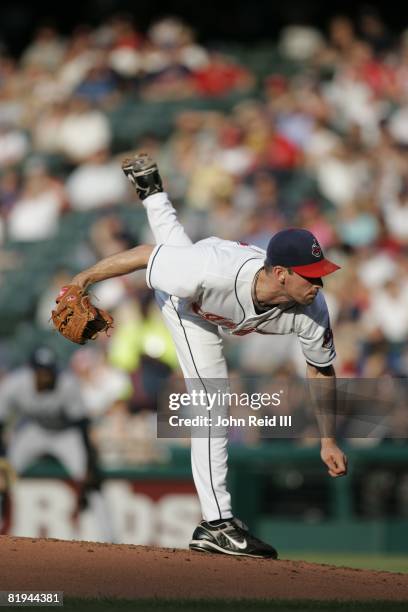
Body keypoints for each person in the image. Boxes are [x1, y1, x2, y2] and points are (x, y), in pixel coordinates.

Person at [69, 153, 348, 559]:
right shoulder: (208, 273)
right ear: (282, 273)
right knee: (213, 403)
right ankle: (217, 523)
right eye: (312, 274)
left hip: (201, 275)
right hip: (189, 304)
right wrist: (82, 279)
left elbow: (321, 370)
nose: (319, 283)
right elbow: (148, 254)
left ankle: (151, 191)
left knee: (176, 245)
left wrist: (328, 439)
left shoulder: (312, 311)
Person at [0, 346, 115, 542]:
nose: (44, 375)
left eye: (48, 370)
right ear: (31, 370)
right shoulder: (16, 383)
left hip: (65, 432)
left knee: (91, 482)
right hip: (33, 430)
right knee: (3, 476)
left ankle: (110, 538)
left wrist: (89, 463)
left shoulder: (67, 384)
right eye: (40, 371)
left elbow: (81, 425)